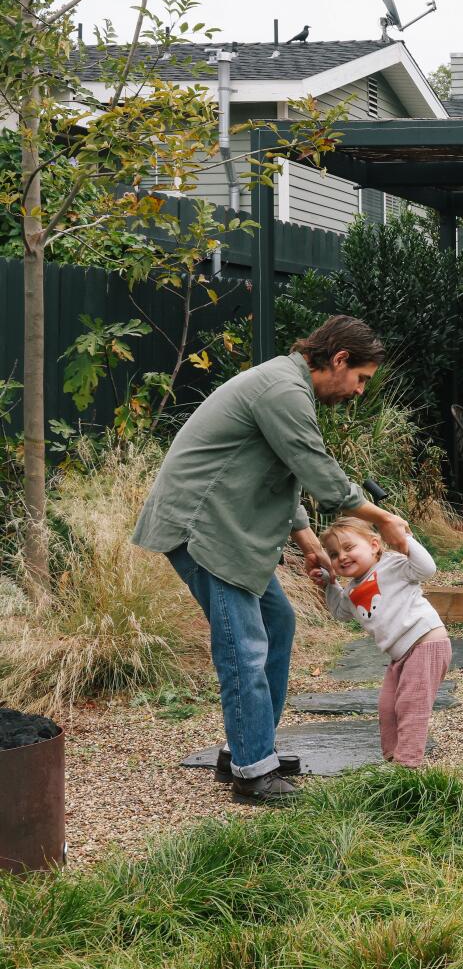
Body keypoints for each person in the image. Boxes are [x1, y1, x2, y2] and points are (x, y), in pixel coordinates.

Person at [133, 316, 410, 804]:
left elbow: (286, 477)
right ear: (339, 359)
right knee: (244, 646)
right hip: (203, 528)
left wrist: (310, 546)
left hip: (225, 527)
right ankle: (252, 770)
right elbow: (318, 471)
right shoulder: (282, 389)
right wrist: (381, 518)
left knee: (277, 622)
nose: (360, 391)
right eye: (361, 378)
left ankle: (245, 747)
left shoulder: (287, 385)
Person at [317, 516, 449, 768]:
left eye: (349, 548)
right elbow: (340, 612)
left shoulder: (393, 564)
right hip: (400, 655)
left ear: (374, 545)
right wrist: (329, 583)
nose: (341, 557)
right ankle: (392, 760)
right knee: (388, 708)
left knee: (411, 707)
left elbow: (427, 569)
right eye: (334, 554)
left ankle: (407, 767)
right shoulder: (351, 590)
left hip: (426, 643)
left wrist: (404, 539)